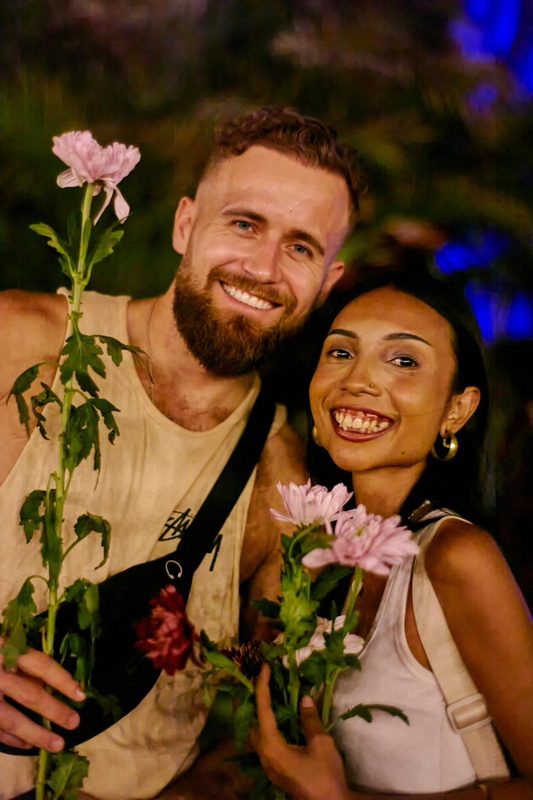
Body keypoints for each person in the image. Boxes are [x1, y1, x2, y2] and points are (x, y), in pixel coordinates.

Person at [0, 105, 365, 799]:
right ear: (184, 225)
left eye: (300, 247)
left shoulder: (285, 488)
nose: (262, 268)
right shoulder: (20, 340)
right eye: (244, 224)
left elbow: (259, 740)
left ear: (327, 282)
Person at [253, 269, 533, 800]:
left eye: (403, 361)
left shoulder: (455, 556)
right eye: (340, 353)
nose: (357, 380)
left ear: (459, 409)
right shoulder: (320, 552)